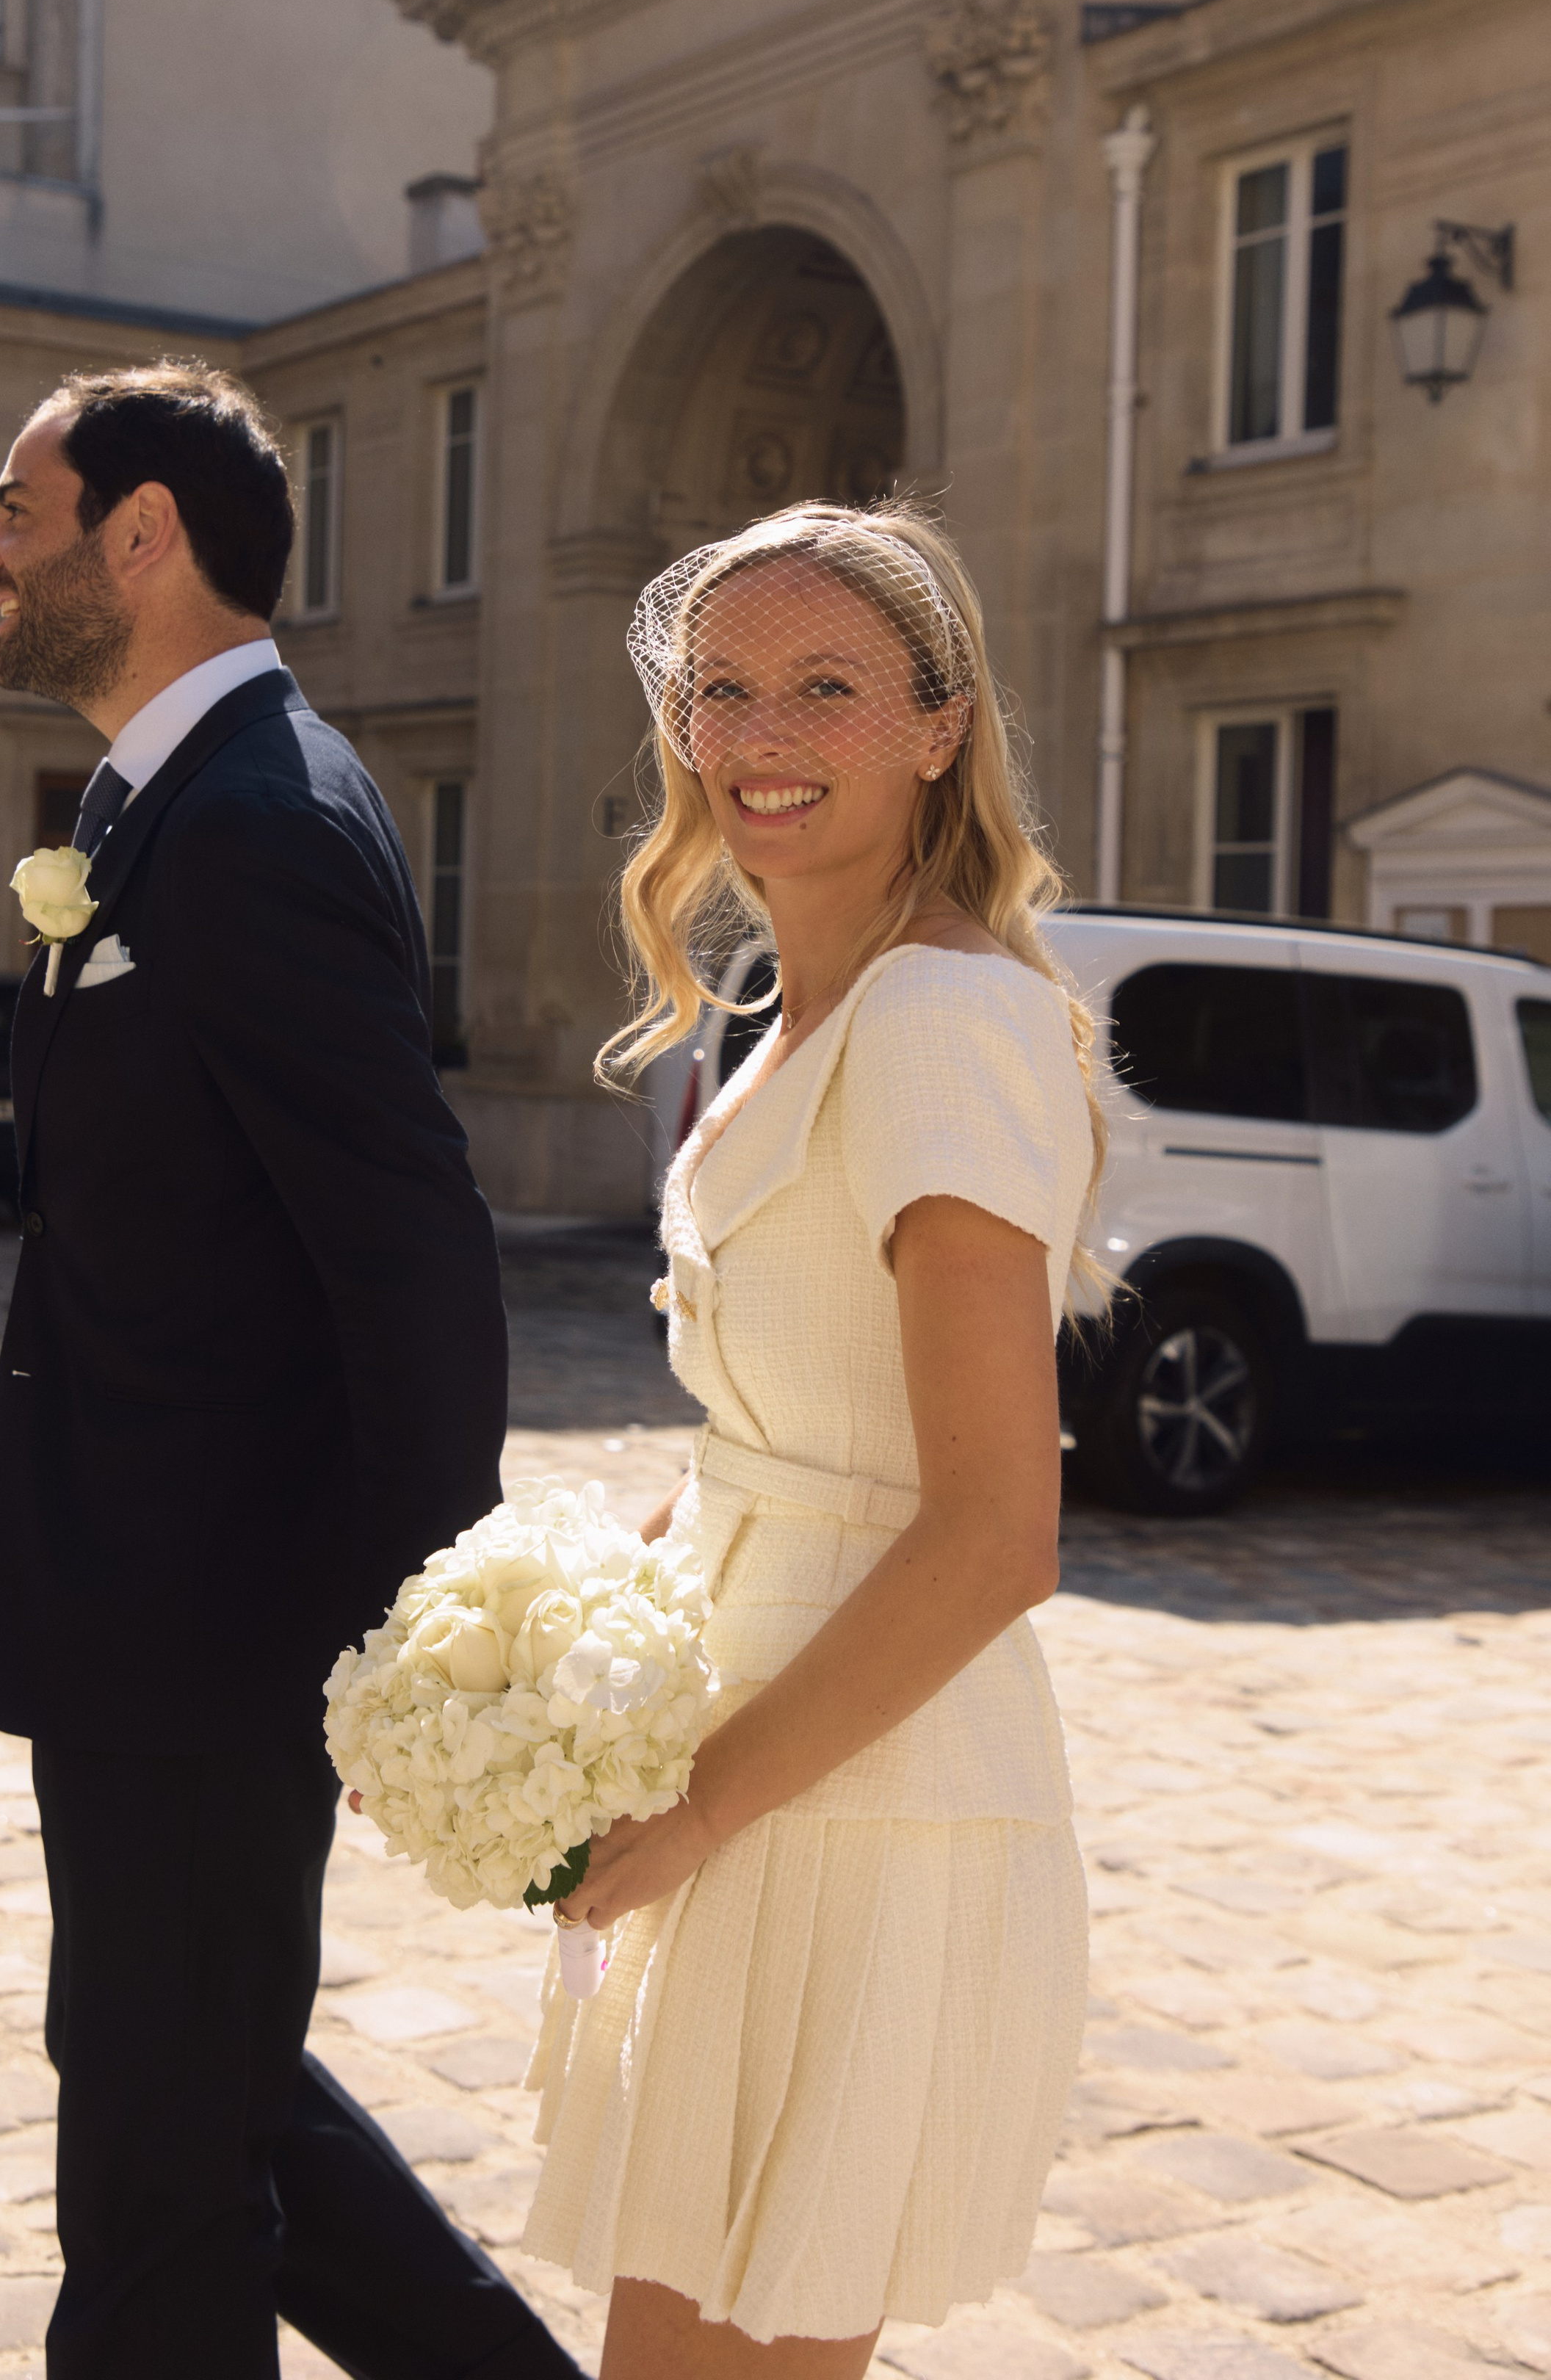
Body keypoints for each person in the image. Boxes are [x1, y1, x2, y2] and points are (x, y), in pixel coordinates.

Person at [0, 362, 580, 2380]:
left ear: (142, 538)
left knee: (158, 2178)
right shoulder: (173, 799)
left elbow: (407, 1241)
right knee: (189, 2082)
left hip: (215, 1623)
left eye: (15, 514)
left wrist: (420, 1630)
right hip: (145, 1609)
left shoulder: (259, 819)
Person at [521, 499, 1105, 2378]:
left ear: (940, 726)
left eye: (828, 689)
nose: (760, 735)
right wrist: (536, 1685)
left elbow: (995, 1527)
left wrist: (700, 1807)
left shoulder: (936, 1021)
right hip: (747, 1766)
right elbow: (771, 1438)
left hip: (848, 1806)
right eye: (723, 690)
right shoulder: (783, 1021)